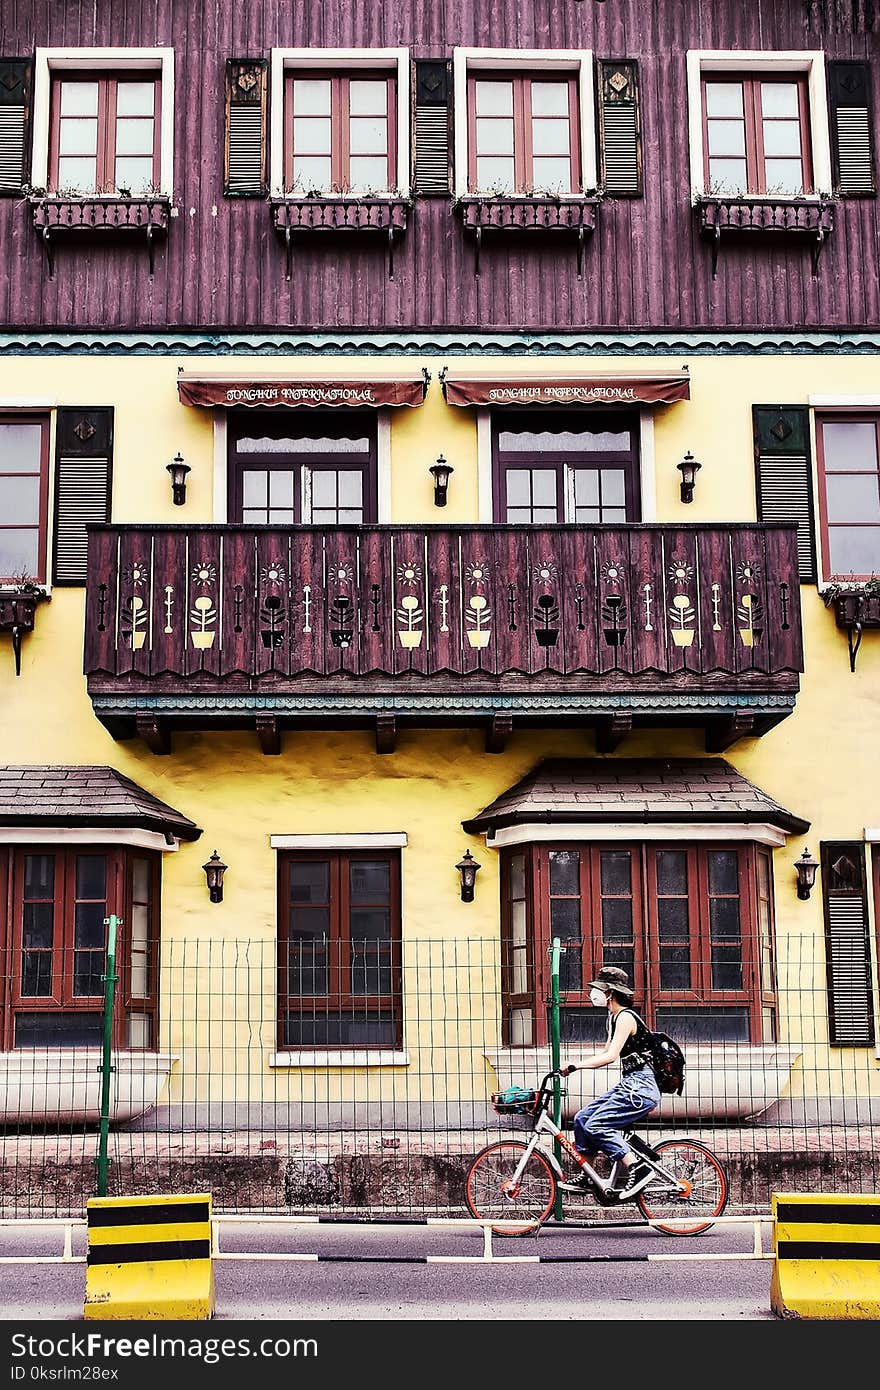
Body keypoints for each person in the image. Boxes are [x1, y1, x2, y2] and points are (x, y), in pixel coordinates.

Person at [562, 966, 660, 1201]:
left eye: (599, 989)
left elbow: (610, 1056)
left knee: (597, 1125)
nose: (594, 993)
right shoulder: (613, 1017)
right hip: (630, 1083)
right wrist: (577, 1063)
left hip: (641, 1087)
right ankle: (589, 1175)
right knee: (582, 1119)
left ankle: (639, 1168)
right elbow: (605, 1052)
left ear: (611, 993)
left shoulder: (626, 1017)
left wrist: (576, 1066)